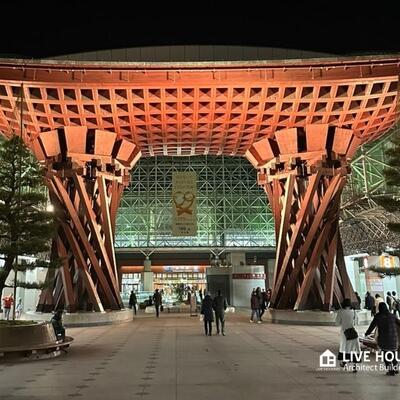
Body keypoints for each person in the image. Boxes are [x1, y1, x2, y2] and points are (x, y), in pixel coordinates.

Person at [365, 302, 400, 376]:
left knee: (386, 355)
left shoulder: (378, 317)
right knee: (393, 353)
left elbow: (372, 326)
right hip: (394, 339)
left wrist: (367, 333)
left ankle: (391, 371)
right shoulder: (392, 316)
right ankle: (396, 368)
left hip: (384, 340)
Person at [336, 298, 361, 373]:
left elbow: (337, 322)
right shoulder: (353, 311)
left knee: (345, 349)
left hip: (344, 333)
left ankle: (344, 363)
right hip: (353, 332)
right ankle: (355, 366)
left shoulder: (341, 312)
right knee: (354, 349)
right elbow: (357, 322)